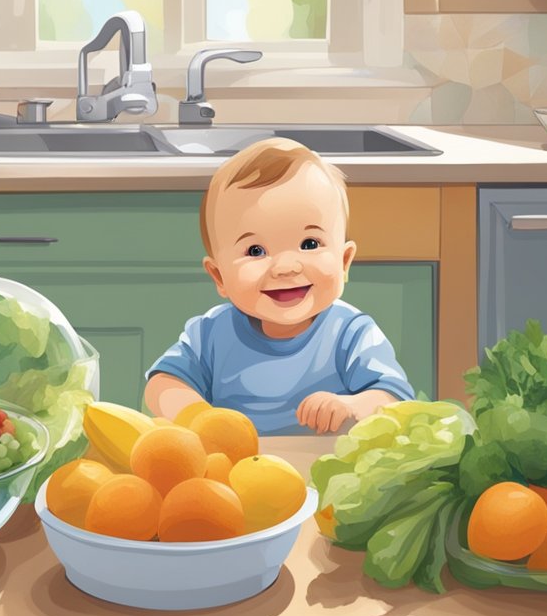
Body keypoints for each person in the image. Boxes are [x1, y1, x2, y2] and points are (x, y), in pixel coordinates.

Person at [143, 137, 415, 435]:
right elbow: (162, 384)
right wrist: (198, 416)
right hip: (234, 472)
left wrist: (354, 405)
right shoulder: (210, 334)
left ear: (344, 261)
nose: (286, 267)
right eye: (255, 251)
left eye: (309, 244)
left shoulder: (351, 333)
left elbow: (394, 397)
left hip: (330, 472)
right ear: (219, 277)